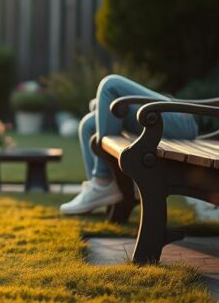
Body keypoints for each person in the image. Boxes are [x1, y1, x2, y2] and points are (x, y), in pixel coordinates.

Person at [59, 74, 198, 215]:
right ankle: (103, 188)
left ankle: (102, 180)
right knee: (89, 124)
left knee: (110, 84)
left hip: (184, 120)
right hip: (172, 118)